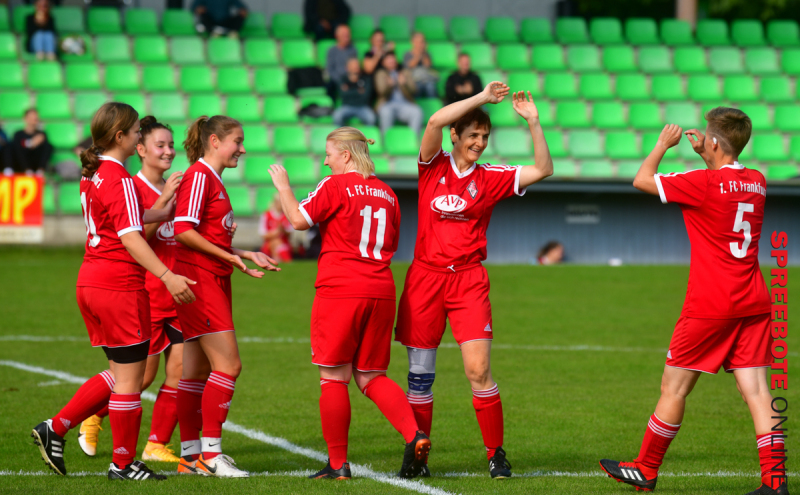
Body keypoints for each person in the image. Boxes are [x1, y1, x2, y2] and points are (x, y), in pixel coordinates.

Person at [599, 110, 785, 495]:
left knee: (675, 389)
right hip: (753, 299)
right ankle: (775, 482)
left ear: (715, 142)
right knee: (758, 392)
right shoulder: (758, 182)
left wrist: (662, 146)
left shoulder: (702, 184)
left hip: (711, 303)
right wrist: (708, 154)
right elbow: (725, 181)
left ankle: (646, 468)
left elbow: (642, 180)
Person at [30, 102, 196, 481]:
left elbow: (135, 216)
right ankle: (121, 463)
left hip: (92, 280)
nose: (141, 135)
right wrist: (166, 276)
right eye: (137, 131)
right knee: (130, 381)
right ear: (120, 136)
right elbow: (131, 236)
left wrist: (166, 207)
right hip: (118, 284)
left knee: (122, 373)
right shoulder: (119, 178)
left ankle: (55, 428)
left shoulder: (97, 174)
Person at [396, 83, 554, 478]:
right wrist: (483, 98)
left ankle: (496, 454)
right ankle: (418, 454)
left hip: (468, 282)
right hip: (425, 281)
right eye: (473, 135)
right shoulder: (431, 165)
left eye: (485, 137)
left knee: (478, 371)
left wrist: (534, 123)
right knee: (419, 377)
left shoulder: (491, 177)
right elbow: (433, 119)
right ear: (455, 136)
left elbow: (543, 169)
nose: (480, 143)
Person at [267, 127, 431, 480]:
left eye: (328, 154)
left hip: (341, 288)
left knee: (333, 377)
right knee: (372, 375)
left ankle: (338, 464)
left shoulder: (334, 185)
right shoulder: (388, 193)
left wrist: (283, 187)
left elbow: (298, 220)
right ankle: (413, 434)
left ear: (344, 154)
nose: (325, 161)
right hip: (382, 288)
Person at [173, 115, 280, 478]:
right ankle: (210, 455)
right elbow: (183, 230)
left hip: (209, 278)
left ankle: (190, 457)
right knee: (228, 366)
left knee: (195, 371)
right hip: (201, 281)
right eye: (238, 141)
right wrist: (229, 257)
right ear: (215, 141)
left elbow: (210, 235)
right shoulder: (200, 176)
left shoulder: (210, 178)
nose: (243, 149)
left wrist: (243, 253)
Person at [76, 116, 187, 462]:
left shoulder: (174, 186)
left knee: (181, 370)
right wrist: (162, 208)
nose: (169, 151)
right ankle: (88, 418)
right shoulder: (127, 183)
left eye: (171, 145)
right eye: (159, 144)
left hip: (179, 294)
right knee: (138, 379)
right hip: (145, 290)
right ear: (136, 147)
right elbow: (135, 238)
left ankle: (155, 444)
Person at [374, 52, 423, 135]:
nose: (392, 61)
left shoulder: (405, 72)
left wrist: (405, 84)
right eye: (389, 59)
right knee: (385, 112)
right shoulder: (380, 73)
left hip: (404, 104)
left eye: (393, 58)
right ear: (383, 62)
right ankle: (385, 141)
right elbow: (381, 91)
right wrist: (389, 85)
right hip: (387, 104)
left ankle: (414, 141)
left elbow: (414, 90)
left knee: (417, 112)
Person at [7, 109, 53, 175]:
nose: (34, 118)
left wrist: (36, 143)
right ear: (25, 118)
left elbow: (46, 151)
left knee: (48, 146)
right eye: (31, 117)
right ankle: (26, 170)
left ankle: (40, 171)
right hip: (21, 164)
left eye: (36, 117)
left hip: (35, 163)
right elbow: (17, 148)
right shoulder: (18, 134)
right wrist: (31, 143)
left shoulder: (42, 134)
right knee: (11, 146)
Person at [333, 58, 375, 127]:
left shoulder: (366, 78)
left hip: (362, 106)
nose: (356, 66)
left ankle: (366, 137)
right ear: (347, 68)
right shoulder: (342, 79)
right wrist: (358, 91)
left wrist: (349, 90)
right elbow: (342, 95)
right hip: (346, 106)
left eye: (357, 64)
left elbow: (366, 96)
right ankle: (342, 136)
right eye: (353, 65)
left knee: (371, 118)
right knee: (337, 116)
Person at [259, 194, 293, 263]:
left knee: (278, 241)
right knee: (275, 241)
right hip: (269, 244)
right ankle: (283, 259)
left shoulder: (287, 215)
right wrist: (275, 233)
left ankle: (277, 258)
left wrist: (282, 230)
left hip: (284, 242)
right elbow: (263, 234)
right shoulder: (266, 215)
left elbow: (290, 233)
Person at [326, 24, 357, 101]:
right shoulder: (332, 51)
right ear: (337, 36)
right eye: (344, 35)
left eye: (348, 35)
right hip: (337, 79)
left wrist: (351, 78)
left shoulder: (353, 50)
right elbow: (330, 70)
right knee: (329, 86)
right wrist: (340, 82)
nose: (346, 37)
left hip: (350, 78)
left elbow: (355, 67)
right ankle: (332, 107)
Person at [403, 32, 438, 99]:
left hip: (426, 79)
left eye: (422, 41)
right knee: (417, 88)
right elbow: (410, 66)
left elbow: (428, 65)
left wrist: (423, 53)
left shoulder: (426, 54)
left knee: (430, 87)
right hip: (415, 80)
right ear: (413, 42)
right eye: (419, 42)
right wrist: (418, 54)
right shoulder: (407, 54)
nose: (421, 44)